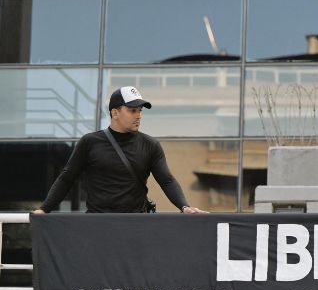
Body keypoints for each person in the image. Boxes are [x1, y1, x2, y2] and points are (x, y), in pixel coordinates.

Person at [32, 86, 207, 214]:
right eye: (132, 110)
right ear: (115, 113)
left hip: (134, 225)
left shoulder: (150, 145)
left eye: (139, 111)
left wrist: (184, 207)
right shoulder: (89, 142)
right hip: (97, 225)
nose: (138, 115)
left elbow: (167, 181)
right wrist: (44, 209)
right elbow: (66, 178)